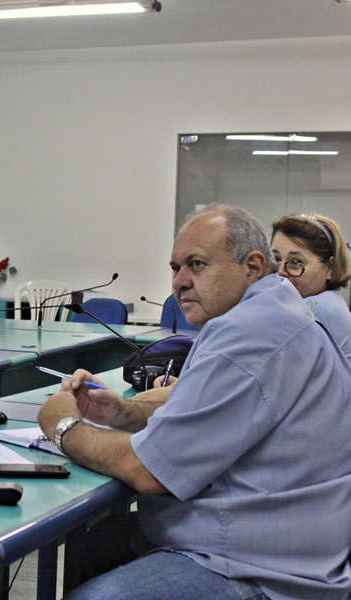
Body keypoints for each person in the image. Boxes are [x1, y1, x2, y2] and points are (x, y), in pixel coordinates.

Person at [38, 205, 351, 600]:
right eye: (175, 268)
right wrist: (123, 412)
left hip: (256, 570)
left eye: (196, 265)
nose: (180, 283)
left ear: (253, 266)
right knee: (101, 540)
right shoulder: (264, 313)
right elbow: (205, 409)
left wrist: (64, 427)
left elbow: (149, 470)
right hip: (271, 542)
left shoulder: (250, 332)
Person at [271, 213, 351, 361]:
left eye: (296, 262)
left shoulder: (316, 309)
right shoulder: (330, 299)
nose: (281, 271)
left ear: (330, 267)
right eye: (276, 259)